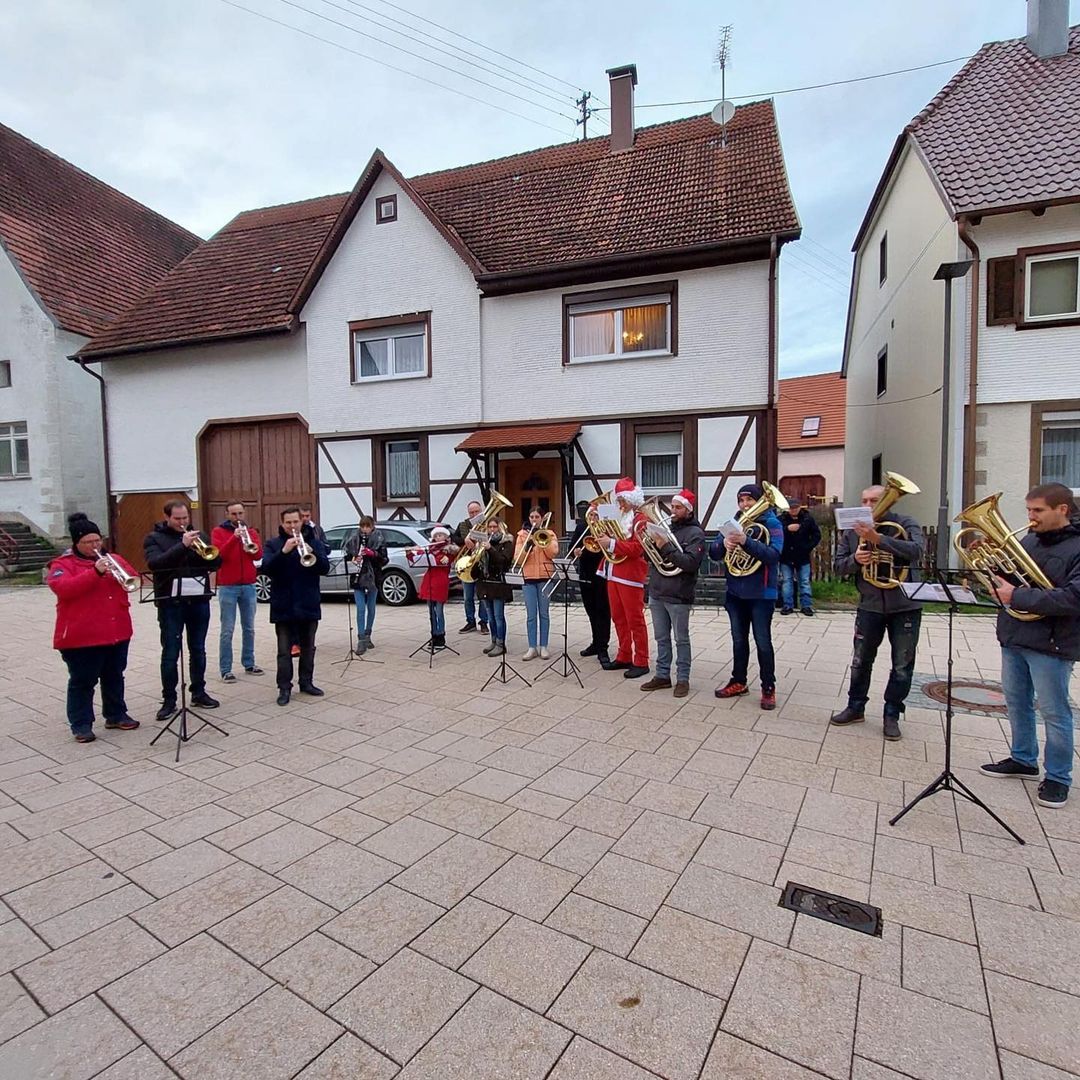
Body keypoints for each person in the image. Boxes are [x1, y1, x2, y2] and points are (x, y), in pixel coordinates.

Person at [980, 483, 1080, 809]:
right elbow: (1013, 579)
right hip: (1015, 634)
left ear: (1062, 509)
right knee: (1017, 701)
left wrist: (1016, 596)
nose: (1030, 517)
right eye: (1029, 511)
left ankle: (1058, 777)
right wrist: (993, 567)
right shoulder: (1029, 539)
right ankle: (1023, 758)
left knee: (1054, 711)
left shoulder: (1077, 546)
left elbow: (1072, 598)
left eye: (1037, 511)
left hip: (1052, 642)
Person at [829, 484, 924, 741]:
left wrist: (878, 539)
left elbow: (917, 551)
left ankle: (892, 714)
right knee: (861, 661)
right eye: (864, 500)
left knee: (902, 665)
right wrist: (855, 561)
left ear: (890, 502)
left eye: (875, 501)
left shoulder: (906, 523)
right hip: (869, 604)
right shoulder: (852, 531)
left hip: (905, 606)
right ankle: (855, 706)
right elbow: (838, 566)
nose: (868, 506)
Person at [47, 513, 140, 743]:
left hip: (116, 631)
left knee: (114, 675)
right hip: (82, 636)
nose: (95, 546)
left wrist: (120, 575)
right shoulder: (62, 565)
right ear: (76, 543)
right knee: (83, 681)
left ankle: (116, 714)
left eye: (97, 540)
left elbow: (133, 579)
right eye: (89, 542)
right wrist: (95, 572)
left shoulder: (114, 558)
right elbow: (64, 589)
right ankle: (81, 724)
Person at [144, 499, 222, 720]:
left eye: (185, 518)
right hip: (171, 603)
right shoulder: (154, 538)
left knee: (198, 649)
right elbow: (155, 564)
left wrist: (205, 552)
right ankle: (169, 700)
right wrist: (182, 546)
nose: (182, 522)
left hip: (198, 600)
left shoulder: (200, 536)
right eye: (177, 519)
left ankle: (198, 692)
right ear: (167, 517)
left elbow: (216, 563)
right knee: (170, 653)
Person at [710, 484, 783, 709]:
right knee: (738, 641)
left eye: (749, 500)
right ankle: (739, 681)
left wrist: (745, 541)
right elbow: (713, 553)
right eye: (741, 501)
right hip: (735, 592)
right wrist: (723, 543)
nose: (744, 505)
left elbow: (773, 555)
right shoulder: (734, 522)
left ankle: (768, 687)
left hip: (761, 594)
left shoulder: (772, 524)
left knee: (763, 642)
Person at [260, 506, 330, 705]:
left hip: (308, 602)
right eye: (288, 522)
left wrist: (311, 554)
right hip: (284, 604)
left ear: (302, 522)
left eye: (295, 522)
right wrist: (284, 551)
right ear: (282, 524)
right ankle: (284, 688)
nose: (292, 526)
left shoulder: (314, 542)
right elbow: (267, 568)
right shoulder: (273, 544)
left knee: (308, 647)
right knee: (284, 650)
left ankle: (306, 683)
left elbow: (324, 568)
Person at [639, 490, 707, 698]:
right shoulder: (666, 529)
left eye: (678, 508)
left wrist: (665, 546)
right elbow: (653, 558)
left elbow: (689, 563)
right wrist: (648, 545)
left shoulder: (696, 534)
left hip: (679, 594)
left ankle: (683, 679)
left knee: (681, 639)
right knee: (661, 638)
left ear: (688, 510)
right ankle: (662, 675)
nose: (673, 511)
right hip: (658, 591)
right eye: (673, 507)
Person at [597, 477, 650, 679]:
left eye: (622, 500)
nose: (619, 504)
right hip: (613, 572)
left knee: (635, 619)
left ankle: (642, 660)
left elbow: (638, 548)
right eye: (618, 500)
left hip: (630, 575)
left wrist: (611, 543)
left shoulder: (641, 520)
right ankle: (624, 654)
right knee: (618, 617)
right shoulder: (619, 517)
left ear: (632, 499)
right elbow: (611, 541)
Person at [211, 501, 264, 682]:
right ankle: (226, 669)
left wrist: (249, 544)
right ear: (227, 514)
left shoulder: (252, 532)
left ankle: (249, 662)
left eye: (240, 513)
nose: (238, 517)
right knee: (227, 629)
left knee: (249, 628)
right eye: (234, 514)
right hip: (228, 587)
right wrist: (234, 538)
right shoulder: (218, 532)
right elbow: (219, 555)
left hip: (248, 585)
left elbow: (257, 555)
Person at [515, 507, 559, 661]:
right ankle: (532, 647)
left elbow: (553, 553)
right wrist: (528, 545)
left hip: (545, 578)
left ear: (541, 519)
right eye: (532, 516)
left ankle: (544, 646)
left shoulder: (550, 533)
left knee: (544, 614)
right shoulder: (521, 535)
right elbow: (518, 559)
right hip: (528, 579)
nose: (534, 519)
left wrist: (541, 540)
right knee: (531, 615)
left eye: (537, 517)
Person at [569, 500, 610, 663]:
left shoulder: (606, 530)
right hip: (585, 574)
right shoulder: (581, 528)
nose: (593, 518)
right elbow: (573, 548)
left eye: (596, 515)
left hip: (601, 575)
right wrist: (576, 552)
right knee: (591, 611)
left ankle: (603, 648)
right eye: (591, 515)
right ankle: (595, 643)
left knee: (603, 611)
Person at [407, 526, 458, 648]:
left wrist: (445, 557)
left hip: (440, 582)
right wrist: (410, 552)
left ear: (446, 537)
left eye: (440, 535)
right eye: (436, 536)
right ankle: (433, 634)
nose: (438, 537)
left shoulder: (448, 550)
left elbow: (447, 560)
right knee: (431, 611)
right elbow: (417, 558)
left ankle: (441, 635)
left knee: (439, 610)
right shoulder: (430, 549)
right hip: (429, 581)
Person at [344, 515, 388, 653]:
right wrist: (353, 558)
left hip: (373, 577)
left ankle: (368, 634)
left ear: (373, 526)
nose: (365, 529)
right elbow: (347, 556)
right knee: (361, 609)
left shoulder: (379, 539)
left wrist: (372, 554)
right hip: (358, 577)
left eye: (367, 526)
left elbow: (384, 559)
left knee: (371, 608)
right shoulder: (354, 539)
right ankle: (361, 639)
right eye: (362, 526)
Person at [474, 518, 515, 657]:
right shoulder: (484, 543)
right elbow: (477, 566)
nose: (492, 529)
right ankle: (493, 640)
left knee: (498, 616)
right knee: (490, 617)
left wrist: (490, 549)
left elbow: (503, 561)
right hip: (484, 583)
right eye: (490, 527)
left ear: (500, 528)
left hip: (498, 584)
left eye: (495, 527)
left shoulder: (507, 543)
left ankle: (501, 644)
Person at [778, 494, 821, 616]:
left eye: (796, 507)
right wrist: (787, 529)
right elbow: (775, 534)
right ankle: (787, 606)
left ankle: (806, 606)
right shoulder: (781, 520)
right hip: (786, 556)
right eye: (791, 507)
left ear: (800, 507)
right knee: (787, 581)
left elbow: (817, 535)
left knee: (805, 582)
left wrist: (808, 547)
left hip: (802, 556)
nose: (793, 509)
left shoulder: (808, 519)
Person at [455, 500, 490, 636]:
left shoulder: (487, 524)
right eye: (472, 513)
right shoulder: (463, 525)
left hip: (482, 565)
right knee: (468, 597)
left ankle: (483, 622)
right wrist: (464, 541)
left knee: (483, 596)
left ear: (481, 511)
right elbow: (454, 537)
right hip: (467, 565)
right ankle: (470, 621)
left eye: (477, 512)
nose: (474, 515)